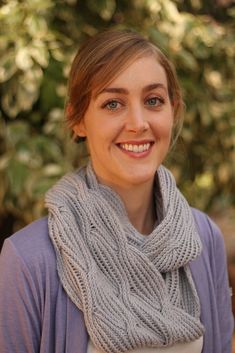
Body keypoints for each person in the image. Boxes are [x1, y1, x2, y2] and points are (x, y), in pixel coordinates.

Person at [0, 29, 233, 353]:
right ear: (78, 120)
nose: (138, 123)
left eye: (153, 101)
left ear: (172, 109)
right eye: (113, 104)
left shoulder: (203, 239)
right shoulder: (29, 261)